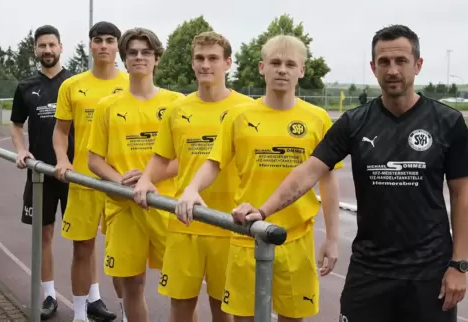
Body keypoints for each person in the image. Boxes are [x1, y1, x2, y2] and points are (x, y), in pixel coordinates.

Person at [233, 25, 468, 322]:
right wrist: (263, 211)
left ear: (418, 65)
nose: (392, 70)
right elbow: (308, 172)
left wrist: (459, 265)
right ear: (373, 67)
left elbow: (462, 195)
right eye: (384, 62)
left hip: (429, 272)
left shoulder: (448, 122)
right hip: (369, 270)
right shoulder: (354, 123)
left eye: (401, 61)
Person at [175, 34, 341, 322]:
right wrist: (191, 189)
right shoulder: (238, 116)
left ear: (301, 70)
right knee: (244, 318)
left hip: (296, 237)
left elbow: (328, 181)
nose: (282, 69)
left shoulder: (317, 118)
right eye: (275, 62)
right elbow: (214, 162)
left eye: (290, 64)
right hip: (246, 234)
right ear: (262, 67)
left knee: (292, 317)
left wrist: (333, 239)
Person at [133, 31, 253, 322]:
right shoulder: (177, 109)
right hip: (185, 220)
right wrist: (146, 178)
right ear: (192, 63)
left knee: (224, 309)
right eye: (199, 58)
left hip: (229, 224)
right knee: (181, 305)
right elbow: (161, 156)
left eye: (213, 58)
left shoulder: (247, 109)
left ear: (228, 63)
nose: (205, 64)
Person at [87, 27, 184, 321]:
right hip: (123, 206)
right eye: (133, 52)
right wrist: (122, 182)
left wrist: (149, 178)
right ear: (124, 59)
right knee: (132, 285)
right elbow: (94, 160)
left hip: (167, 206)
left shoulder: (177, 103)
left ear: (156, 59)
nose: (139, 57)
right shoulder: (107, 106)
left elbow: (187, 158)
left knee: (181, 289)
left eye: (146, 52)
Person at [53, 21, 129, 322]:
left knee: (122, 255)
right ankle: (81, 314)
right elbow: (60, 132)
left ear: (117, 47)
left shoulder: (130, 83)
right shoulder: (72, 86)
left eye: (110, 40)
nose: (104, 46)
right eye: (98, 40)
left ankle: (127, 313)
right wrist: (62, 159)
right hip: (83, 180)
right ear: (90, 45)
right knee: (82, 250)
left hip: (119, 184)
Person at [10, 25, 74, 320]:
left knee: (84, 239)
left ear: (61, 47)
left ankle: (92, 299)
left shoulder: (75, 83)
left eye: (52, 45)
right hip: (41, 173)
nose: (47, 50)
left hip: (75, 173)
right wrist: (21, 150)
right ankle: (49, 297)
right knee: (44, 235)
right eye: (41, 46)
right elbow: (16, 125)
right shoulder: (25, 87)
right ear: (35, 50)